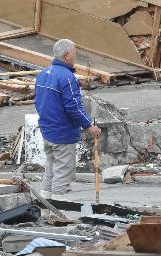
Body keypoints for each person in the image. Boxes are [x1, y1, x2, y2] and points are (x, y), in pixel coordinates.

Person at [34, 39, 101, 199]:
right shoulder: (67, 77)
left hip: (48, 131)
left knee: (50, 170)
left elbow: (37, 102)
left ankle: (46, 209)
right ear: (66, 55)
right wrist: (88, 125)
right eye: (74, 54)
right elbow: (73, 107)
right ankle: (59, 213)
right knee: (63, 174)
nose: (75, 57)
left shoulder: (44, 73)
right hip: (63, 133)